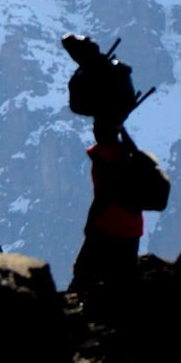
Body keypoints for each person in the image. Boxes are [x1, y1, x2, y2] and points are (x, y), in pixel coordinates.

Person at [71, 114, 146, 294]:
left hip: (108, 227)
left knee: (83, 271)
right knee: (125, 278)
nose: (94, 130)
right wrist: (122, 129)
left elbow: (103, 195)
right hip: (133, 227)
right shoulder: (128, 152)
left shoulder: (103, 154)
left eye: (97, 127)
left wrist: (90, 223)